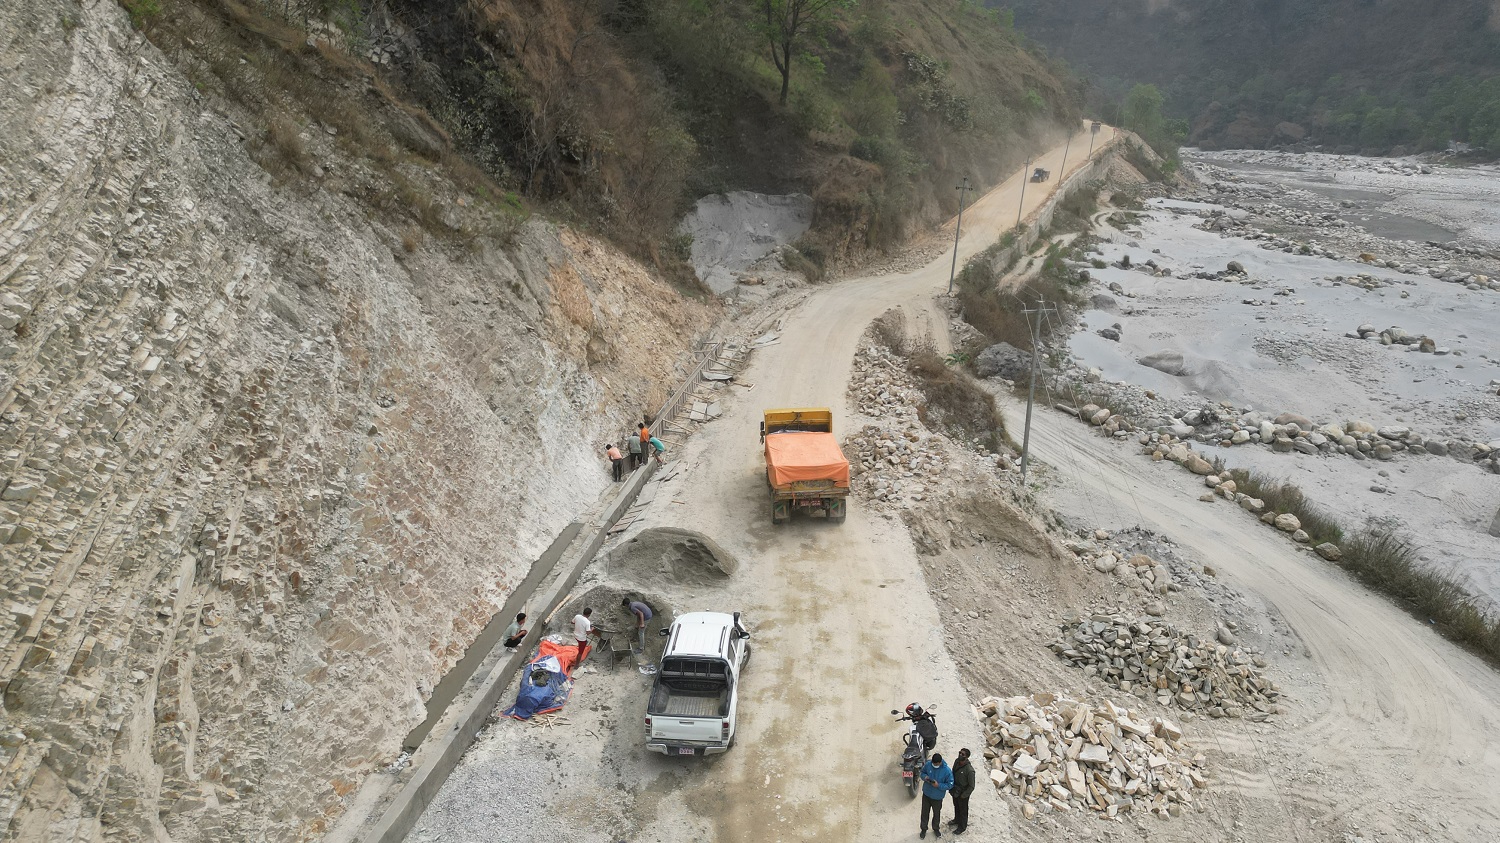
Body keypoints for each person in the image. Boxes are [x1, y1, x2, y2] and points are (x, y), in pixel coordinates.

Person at [919, 752, 953, 839]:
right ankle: (923, 829)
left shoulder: (947, 771)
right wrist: (925, 777)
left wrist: (938, 785)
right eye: (933, 764)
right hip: (926, 794)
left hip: (937, 797)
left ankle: (936, 828)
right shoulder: (928, 765)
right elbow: (922, 773)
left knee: (936, 814)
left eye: (936, 764)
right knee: (924, 813)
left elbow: (950, 784)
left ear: (940, 762)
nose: (934, 765)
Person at [946, 748, 974, 835]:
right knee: (956, 806)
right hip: (955, 790)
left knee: (963, 810)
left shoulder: (969, 770)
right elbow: (953, 772)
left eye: (963, 754)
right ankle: (956, 820)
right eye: (960, 753)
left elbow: (972, 786)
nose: (960, 755)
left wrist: (964, 795)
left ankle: (962, 827)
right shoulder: (957, 762)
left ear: (967, 757)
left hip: (963, 792)